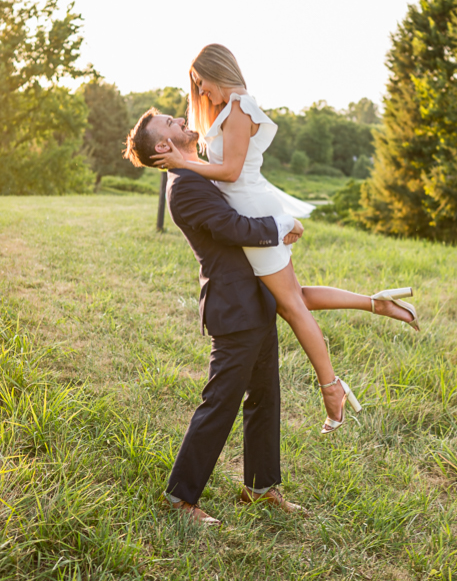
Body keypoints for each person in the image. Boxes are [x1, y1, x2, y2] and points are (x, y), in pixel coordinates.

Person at [150, 44, 419, 434]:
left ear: (219, 71)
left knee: (291, 304)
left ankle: (331, 388)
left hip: (253, 209)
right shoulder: (233, 108)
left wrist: (182, 162)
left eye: (202, 82)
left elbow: (230, 172)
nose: (202, 92)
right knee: (293, 295)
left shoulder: (240, 108)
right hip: (253, 206)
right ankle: (376, 303)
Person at [123, 109, 305, 525]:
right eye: (171, 123)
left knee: (265, 395)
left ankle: (259, 488)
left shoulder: (198, 171)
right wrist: (280, 226)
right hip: (234, 306)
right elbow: (231, 226)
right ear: (164, 146)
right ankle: (179, 498)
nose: (181, 120)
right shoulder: (184, 186)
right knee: (220, 402)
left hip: (256, 298)